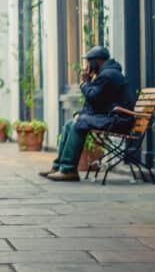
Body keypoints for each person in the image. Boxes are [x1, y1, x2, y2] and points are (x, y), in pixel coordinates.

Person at [41, 45, 136, 181]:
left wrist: (85, 82)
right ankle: (59, 166)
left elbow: (93, 97)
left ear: (96, 61)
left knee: (78, 123)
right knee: (70, 124)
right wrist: (81, 113)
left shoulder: (108, 75)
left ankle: (68, 170)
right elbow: (98, 103)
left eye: (88, 62)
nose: (87, 65)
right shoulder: (107, 73)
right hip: (112, 116)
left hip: (120, 119)